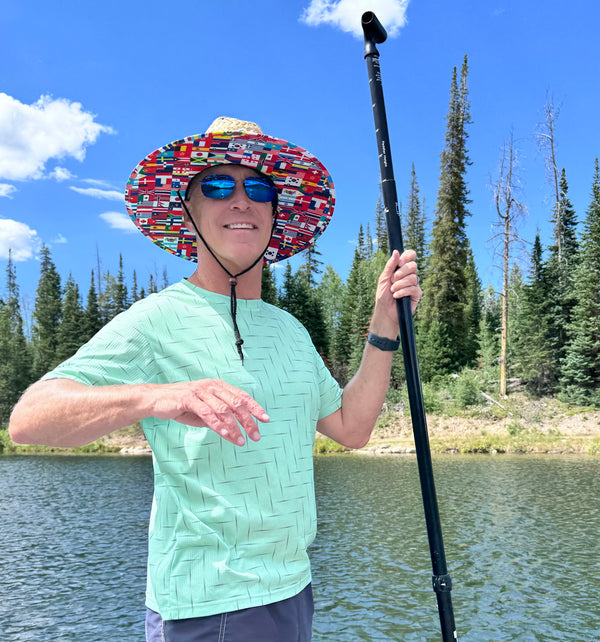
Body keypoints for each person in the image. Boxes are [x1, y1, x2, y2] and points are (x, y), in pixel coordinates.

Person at [9, 117, 422, 642]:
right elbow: (30, 419)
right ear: (189, 210)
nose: (241, 200)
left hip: (293, 590)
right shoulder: (157, 319)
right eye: (219, 186)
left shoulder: (289, 329)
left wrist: (384, 327)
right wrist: (160, 396)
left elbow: (351, 427)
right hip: (205, 605)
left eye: (259, 188)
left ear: (275, 214)